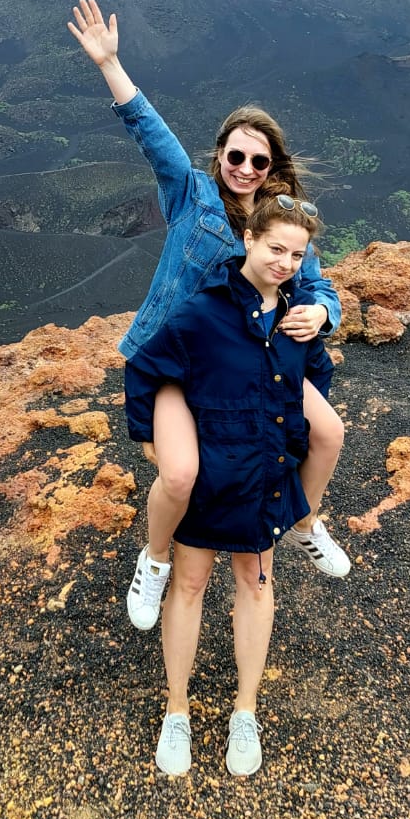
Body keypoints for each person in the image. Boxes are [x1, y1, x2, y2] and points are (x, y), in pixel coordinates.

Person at [66, 0, 350, 633]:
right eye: (235, 156)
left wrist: (320, 315)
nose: (245, 169)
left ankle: (304, 522)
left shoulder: (282, 224)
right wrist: (110, 64)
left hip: (250, 361)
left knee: (328, 432)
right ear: (219, 155)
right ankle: (155, 560)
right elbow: (151, 134)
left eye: (258, 161)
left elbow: (317, 284)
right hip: (179, 360)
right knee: (182, 474)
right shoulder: (191, 194)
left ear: (271, 169)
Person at [125, 194, 332, 774]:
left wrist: (291, 440)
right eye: (276, 248)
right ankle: (177, 709)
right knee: (189, 584)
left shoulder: (297, 317)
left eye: (297, 255)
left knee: (256, 584)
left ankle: (246, 710)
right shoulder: (203, 312)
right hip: (213, 473)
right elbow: (145, 364)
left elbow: (315, 376)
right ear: (249, 240)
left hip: (262, 477)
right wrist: (148, 435)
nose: (285, 262)